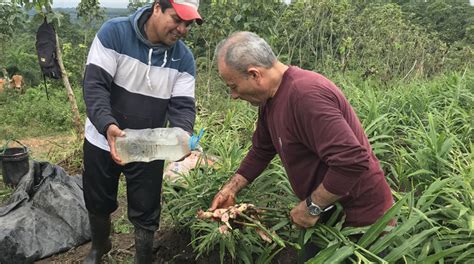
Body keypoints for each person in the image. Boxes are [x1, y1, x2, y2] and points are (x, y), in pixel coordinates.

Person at [210, 31, 394, 262]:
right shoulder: (270, 100)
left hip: (361, 226)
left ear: (254, 74)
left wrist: (312, 207)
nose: (233, 95)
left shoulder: (305, 95)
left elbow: (351, 160)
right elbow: (261, 150)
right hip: (327, 216)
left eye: (233, 86)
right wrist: (231, 189)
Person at [82, 1, 202, 263]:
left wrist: (181, 134)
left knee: (146, 208)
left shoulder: (184, 59)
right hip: (103, 138)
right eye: (177, 19)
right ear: (157, 8)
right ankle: (99, 247)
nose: (182, 29)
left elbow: (182, 106)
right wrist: (107, 125)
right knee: (97, 199)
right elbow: (95, 86)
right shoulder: (113, 33)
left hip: (149, 146)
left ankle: (143, 258)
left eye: (188, 24)